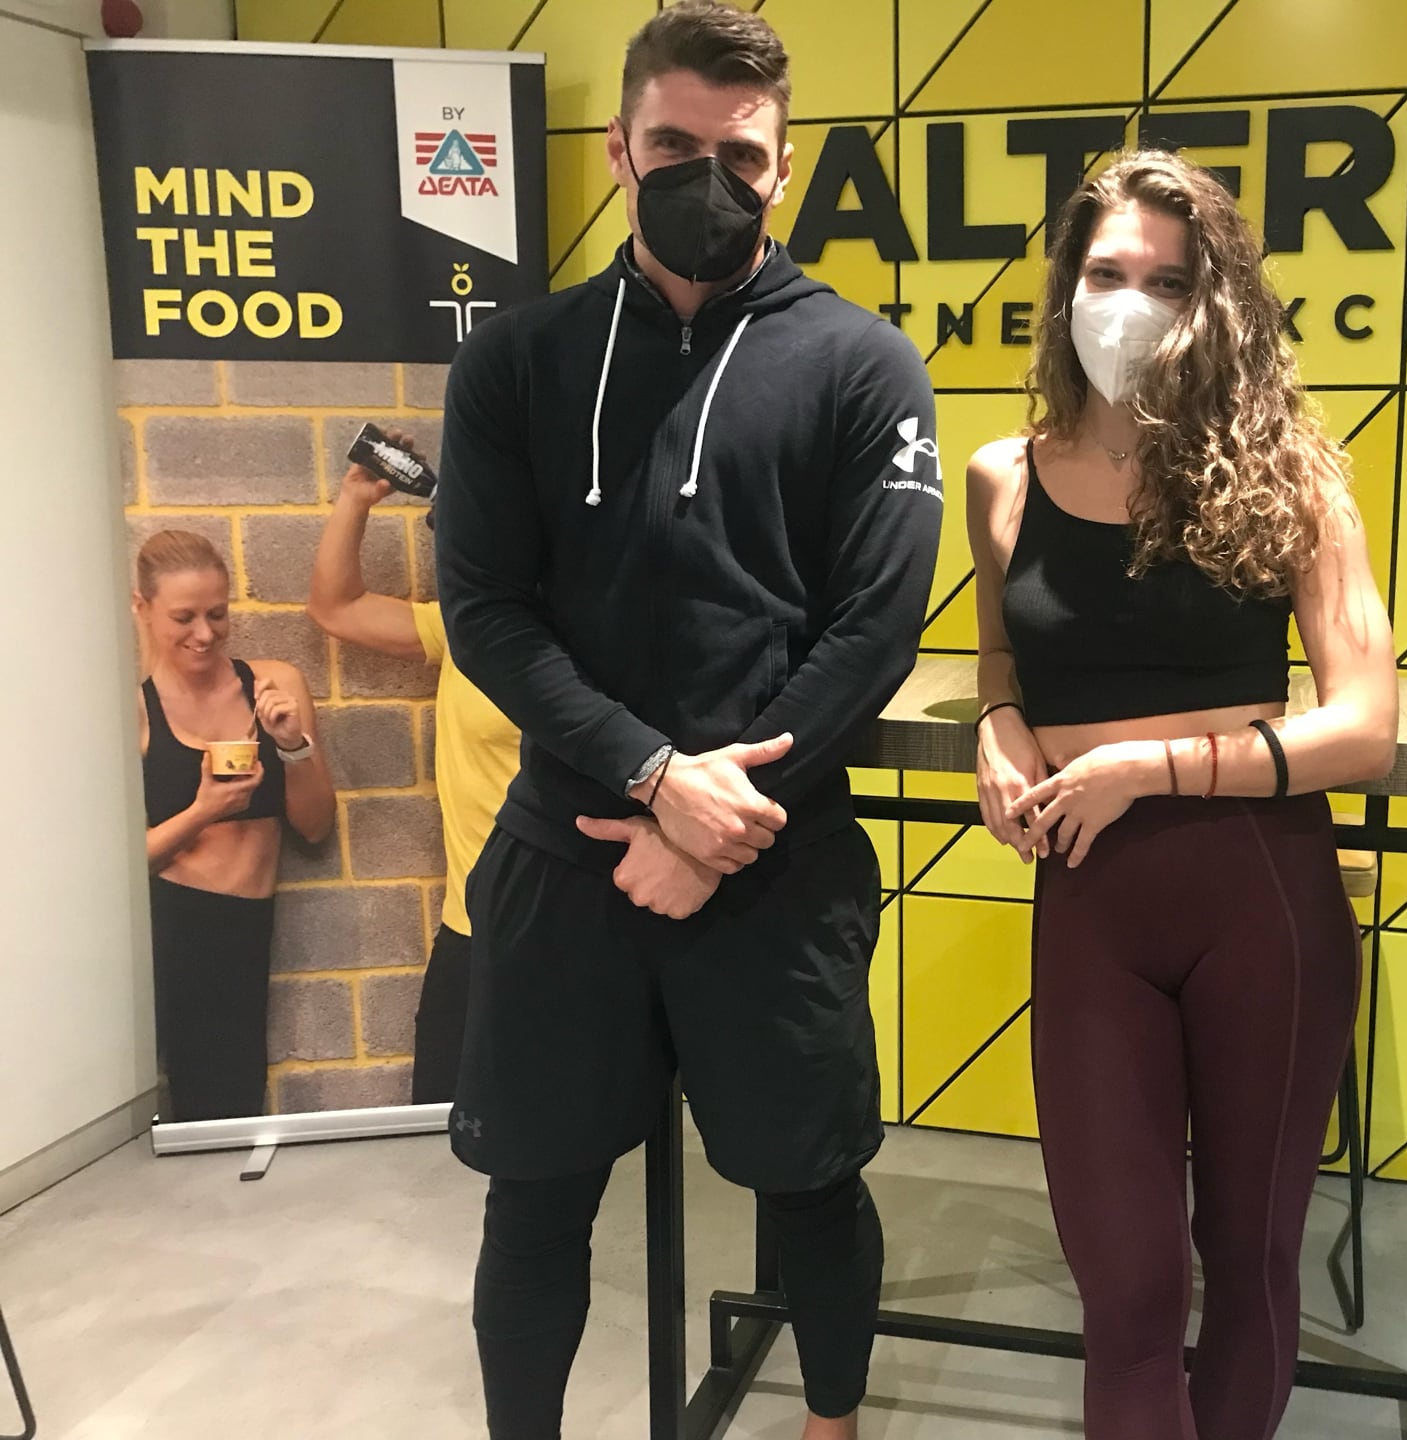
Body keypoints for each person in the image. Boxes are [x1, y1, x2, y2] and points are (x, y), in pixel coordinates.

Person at [431, 5, 942, 1437]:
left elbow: (873, 630)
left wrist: (720, 826)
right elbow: (486, 612)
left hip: (776, 866)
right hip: (568, 852)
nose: (707, 179)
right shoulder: (516, 362)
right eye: (673, 147)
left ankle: (830, 1427)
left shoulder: (864, 366)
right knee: (534, 1202)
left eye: (742, 155)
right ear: (619, 148)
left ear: (785, 166)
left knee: (812, 1186)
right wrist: (659, 780)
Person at [966, 150, 1399, 1440]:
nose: (1131, 305)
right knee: (1129, 1291)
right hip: (1090, 904)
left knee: (1250, 1264)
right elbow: (1002, 654)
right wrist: (997, 719)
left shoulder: (1290, 475)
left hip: (1258, 890)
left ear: (1217, 302)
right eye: (1107, 274)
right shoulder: (1002, 477)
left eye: (1167, 282)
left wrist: (1148, 769)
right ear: (1066, 288)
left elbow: (1365, 727)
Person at [306, 433, 521, 1104]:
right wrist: (355, 499)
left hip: (575, 936)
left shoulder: (601, 640)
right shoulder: (466, 630)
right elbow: (336, 607)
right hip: (474, 930)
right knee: (435, 1126)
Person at [135, 529, 335, 1122]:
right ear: (142, 608)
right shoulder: (134, 709)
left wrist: (291, 745)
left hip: (246, 927)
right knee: (147, 1116)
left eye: (217, 614)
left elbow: (316, 828)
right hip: (172, 924)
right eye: (184, 617)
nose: (204, 633)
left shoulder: (273, 685)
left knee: (231, 1107)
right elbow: (113, 868)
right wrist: (204, 811)